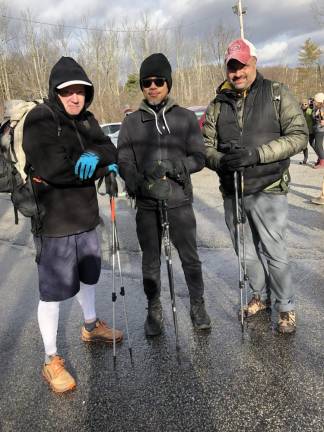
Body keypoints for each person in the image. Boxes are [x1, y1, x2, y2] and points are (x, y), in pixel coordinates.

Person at [22, 56, 123, 393]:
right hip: (54, 223)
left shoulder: (89, 120)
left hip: (85, 218)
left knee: (88, 277)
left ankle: (90, 326)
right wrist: (100, 165)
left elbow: (111, 147)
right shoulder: (41, 119)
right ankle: (51, 360)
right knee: (52, 292)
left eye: (81, 91)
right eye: (68, 91)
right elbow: (56, 170)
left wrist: (100, 156)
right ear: (56, 92)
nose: (76, 97)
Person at [203, 38, 308, 334]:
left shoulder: (276, 93)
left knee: (275, 253)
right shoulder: (216, 104)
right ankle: (260, 297)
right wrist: (221, 161)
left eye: (242, 65)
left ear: (254, 63)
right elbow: (205, 146)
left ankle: (286, 307)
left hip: (269, 186)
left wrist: (257, 154)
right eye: (232, 67)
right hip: (232, 189)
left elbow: (299, 135)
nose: (237, 72)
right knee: (246, 253)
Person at [117, 53, 211, 336]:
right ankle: (154, 308)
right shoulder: (131, 123)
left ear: (168, 83)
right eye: (147, 82)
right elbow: (124, 161)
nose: (153, 86)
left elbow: (200, 157)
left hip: (179, 201)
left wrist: (176, 166)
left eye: (159, 81)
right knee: (150, 260)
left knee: (190, 258)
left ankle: (197, 304)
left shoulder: (184, 118)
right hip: (146, 204)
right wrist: (137, 183)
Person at [299, 99, 314, 164]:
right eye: (302, 104)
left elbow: (315, 119)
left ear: (308, 104)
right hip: (303, 131)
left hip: (311, 130)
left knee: (313, 144)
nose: (304, 105)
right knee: (304, 145)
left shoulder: (310, 111)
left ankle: (320, 157)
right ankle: (305, 158)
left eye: (305, 104)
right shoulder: (299, 112)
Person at [312, 92, 324, 168]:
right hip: (317, 129)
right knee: (318, 146)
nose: (314, 102)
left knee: (318, 146)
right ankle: (320, 160)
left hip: (321, 129)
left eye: (315, 100)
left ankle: (322, 162)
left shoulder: (322, 108)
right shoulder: (317, 108)